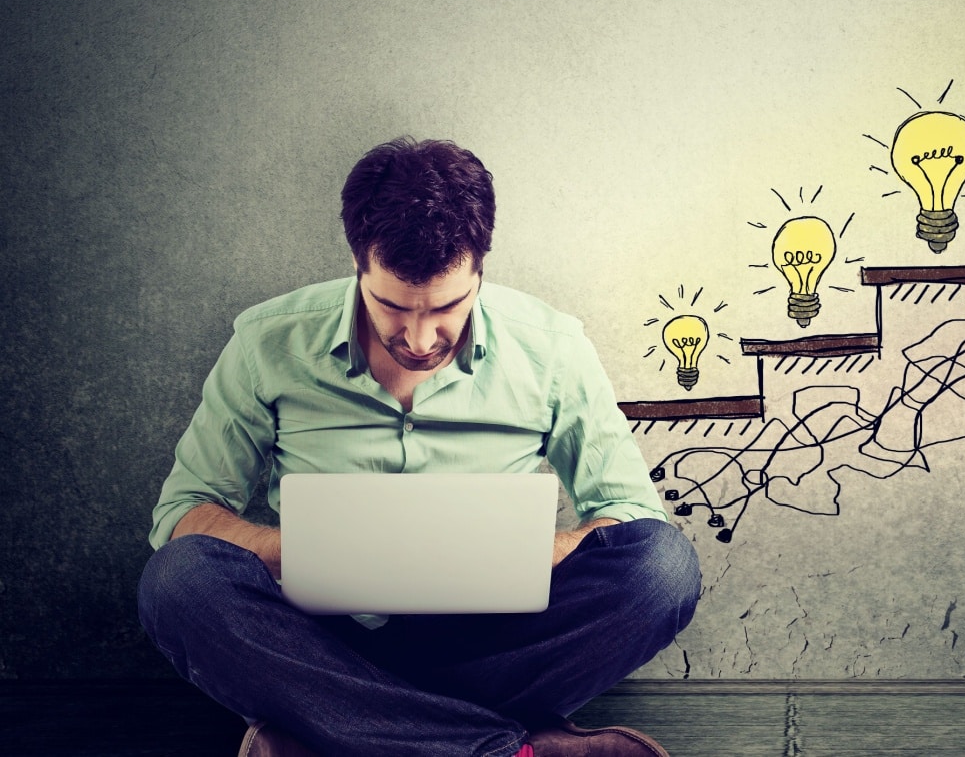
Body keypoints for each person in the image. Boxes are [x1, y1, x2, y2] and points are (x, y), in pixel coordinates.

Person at [137, 137, 700, 757]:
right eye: (392, 306)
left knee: (661, 569)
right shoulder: (266, 343)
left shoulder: (553, 349)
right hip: (320, 646)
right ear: (359, 263)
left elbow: (635, 516)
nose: (420, 336)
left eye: (448, 307)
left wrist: (532, 553)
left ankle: (335, 733)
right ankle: (500, 747)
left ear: (480, 267)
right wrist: (305, 554)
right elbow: (183, 515)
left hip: (493, 648)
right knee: (177, 584)